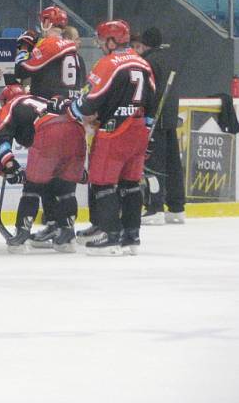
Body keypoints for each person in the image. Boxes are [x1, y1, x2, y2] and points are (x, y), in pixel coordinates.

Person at [65, 19, 157, 256]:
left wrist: (71, 110)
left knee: (103, 183)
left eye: (102, 40)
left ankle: (110, 234)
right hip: (138, 130)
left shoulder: (108, 64)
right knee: (130, 183)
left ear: (112, 41)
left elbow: (91, 100)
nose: (100, 45)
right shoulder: (143, 63)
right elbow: (152, 103)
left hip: (114, 131)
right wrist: (147, 131)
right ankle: (131, 235)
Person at [14, 7, 85, 244]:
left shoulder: (50, 45)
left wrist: (24, 48)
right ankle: (64, 230)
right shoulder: (76, 54)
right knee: (63, 182)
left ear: (46, 22)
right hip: (74, 122)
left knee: (36, 179)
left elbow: (20, 71)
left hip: (50, 121)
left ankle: (22, 232)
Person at [0, 85, 87, 253]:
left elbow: (1, 141)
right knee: (64, 186)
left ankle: (21, 236)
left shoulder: (10, 106)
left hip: (49, 131)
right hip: (76, 130)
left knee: (33, 185)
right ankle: (66, 236)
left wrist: (10, 165)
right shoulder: (40, 100)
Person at [132, 27, 185, 225]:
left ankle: (155, 208)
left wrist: (146, 115)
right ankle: (177, 207)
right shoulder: (168, 58)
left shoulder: (148, 62)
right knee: (173, 163)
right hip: (170, 118)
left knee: (154, 165)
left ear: (145, 44)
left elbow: (148, 92)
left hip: (155, 118)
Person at [14, 6, 85, 100]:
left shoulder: (47, 44)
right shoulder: (75, 52)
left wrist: (23, 50)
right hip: (70, 105)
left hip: (48, 105)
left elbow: (21, 72)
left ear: (47, 23)